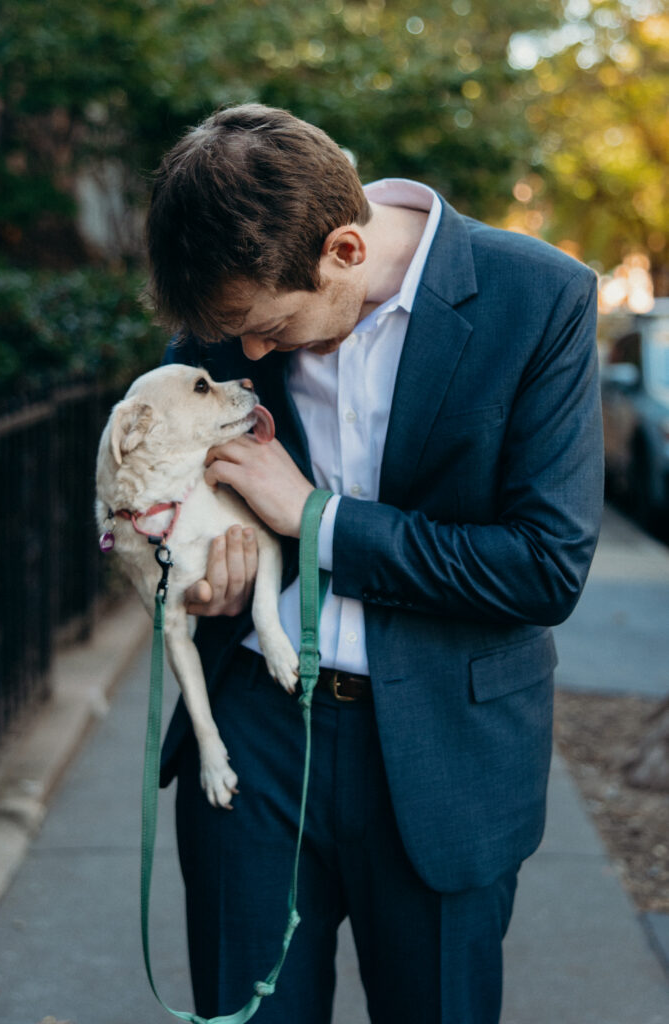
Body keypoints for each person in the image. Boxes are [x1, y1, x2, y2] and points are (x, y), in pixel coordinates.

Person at [146, 103, 603, 1024]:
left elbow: (544, 568)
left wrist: (315, 518)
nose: (248, 355)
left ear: (344, 252)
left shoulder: (539, 297)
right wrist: (189, 570)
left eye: (270, 327)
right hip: (251, 742)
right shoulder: (226, 315)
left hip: (447, 753)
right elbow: (159, 500)